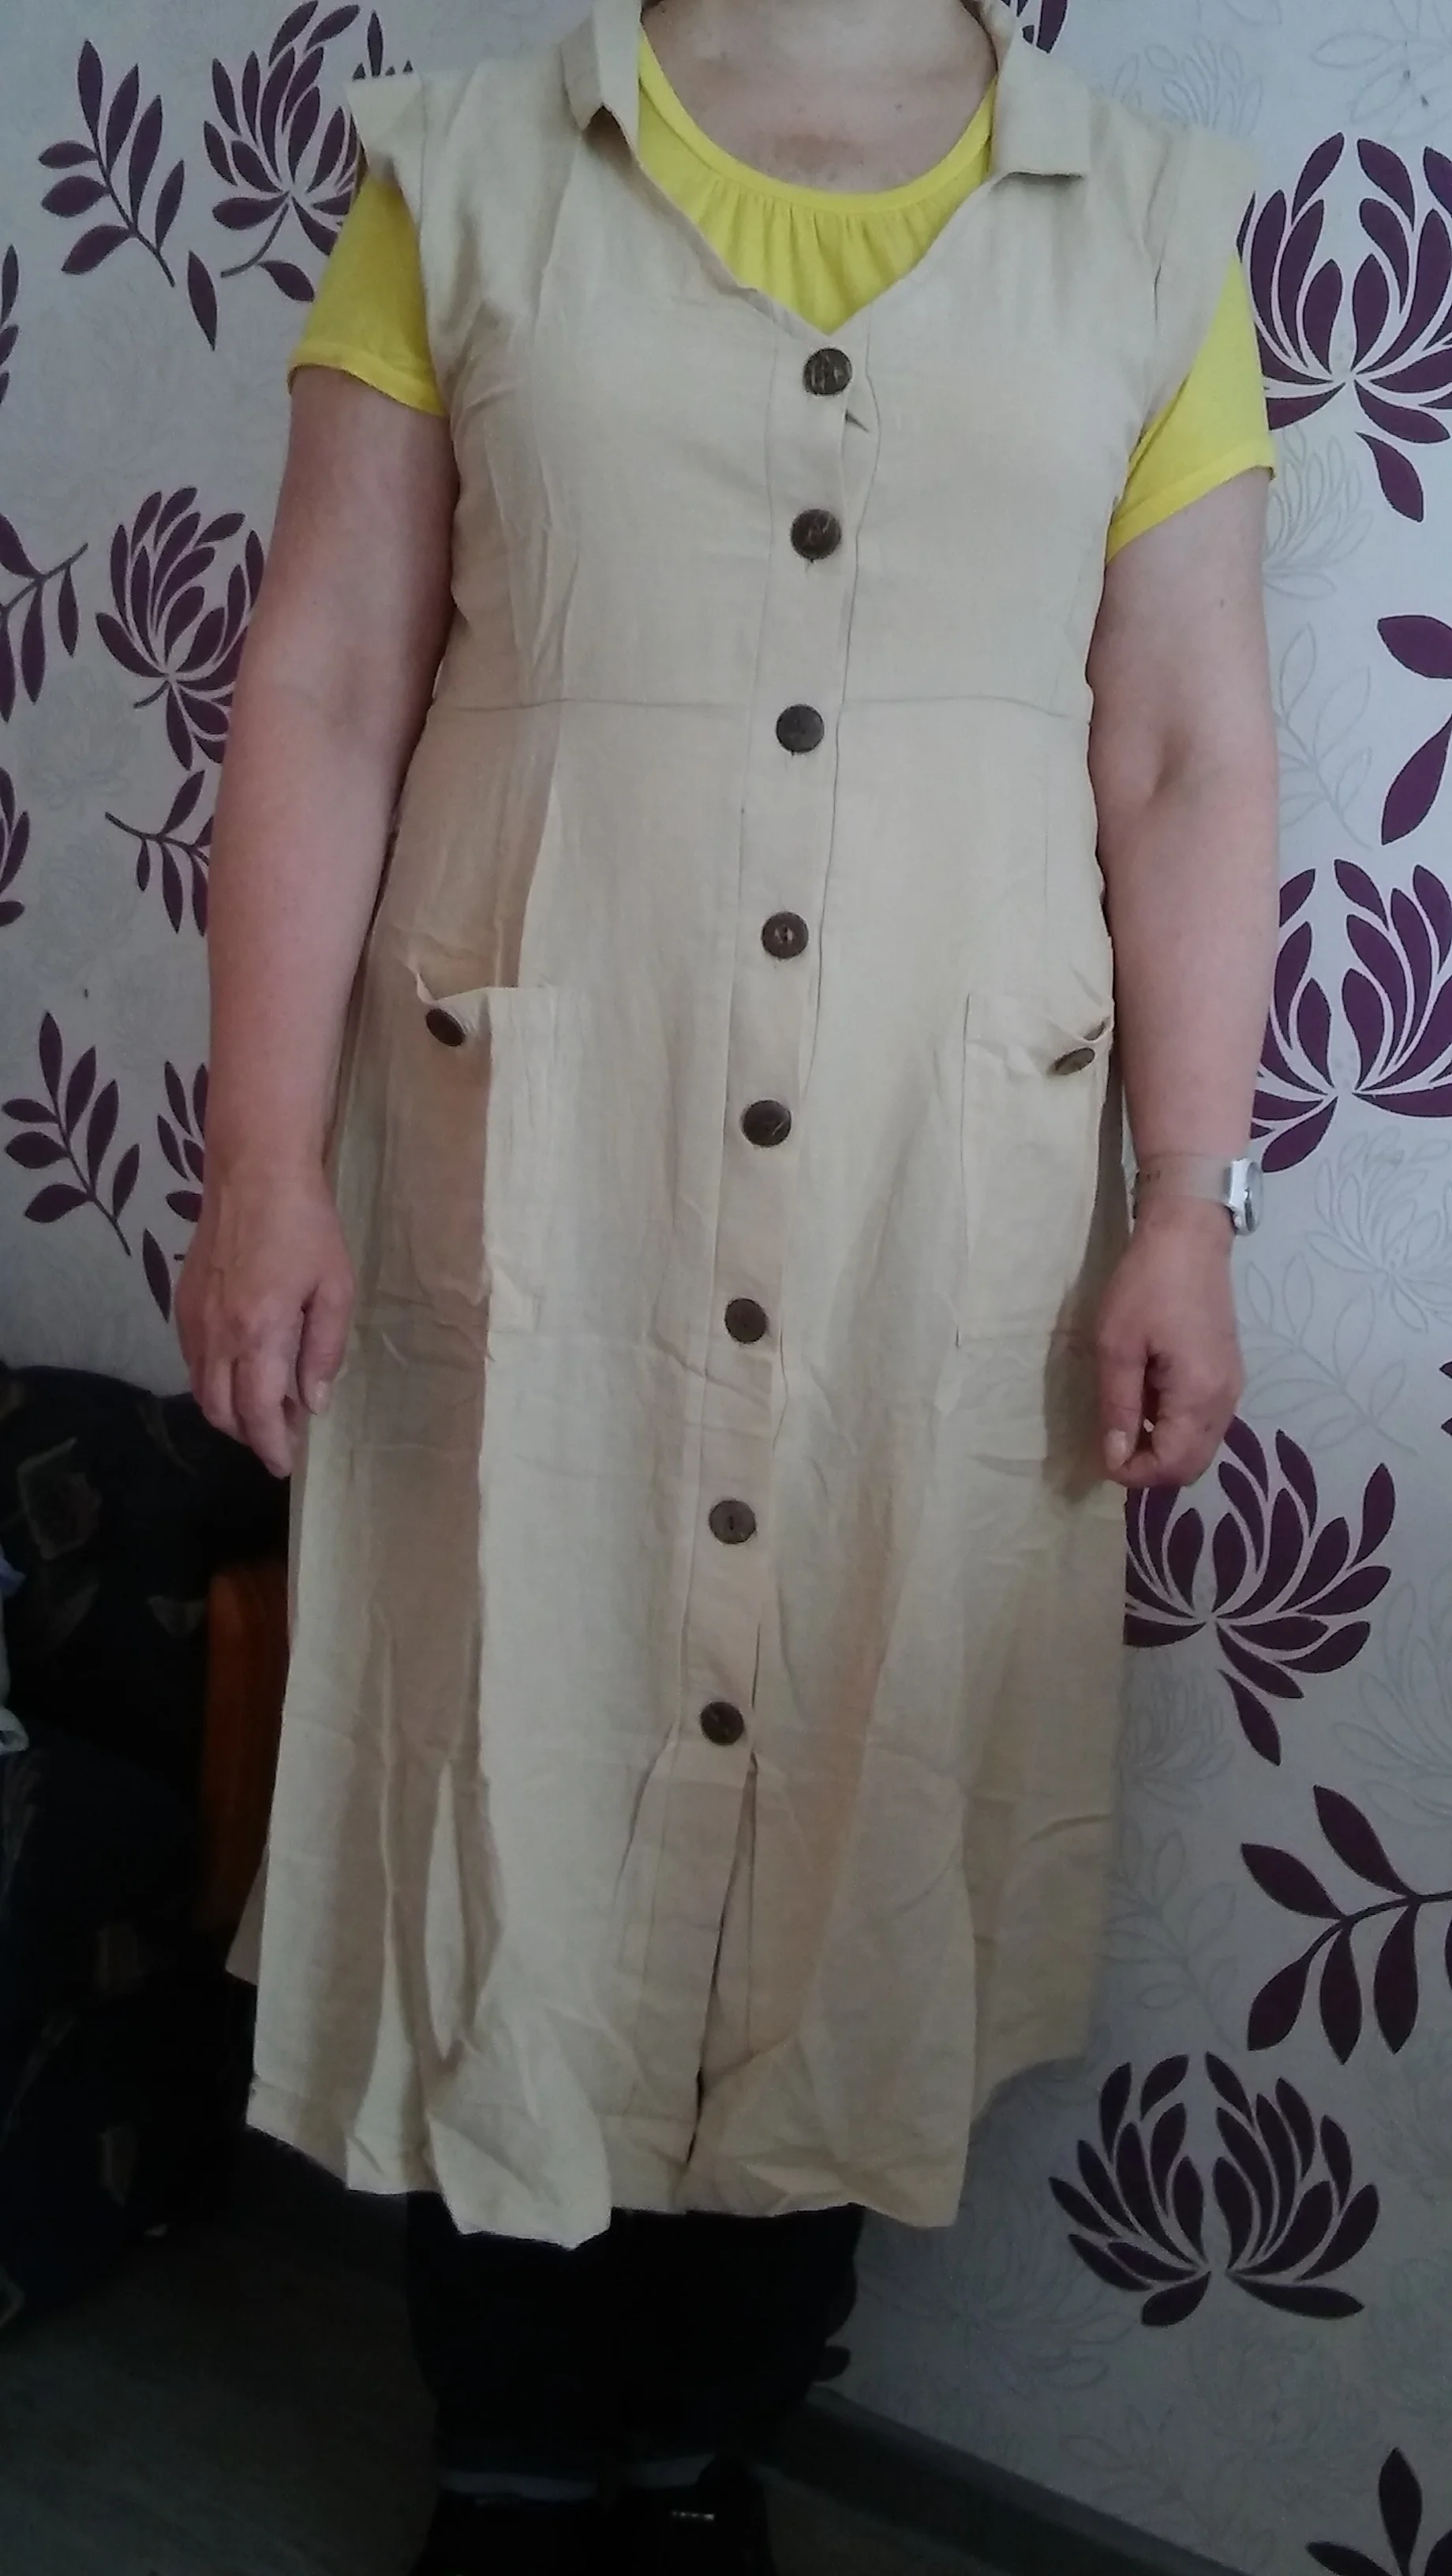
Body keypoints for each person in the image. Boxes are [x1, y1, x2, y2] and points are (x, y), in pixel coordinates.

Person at [177, 0, 1279, 2567]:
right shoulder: (458, 176)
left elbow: (1187, 746)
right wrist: (259, 1164)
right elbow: (327, 676)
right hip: (523, 1152)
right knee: (509, 1761)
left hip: (941, 1190)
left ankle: (703, 2466)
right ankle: (511, 2471)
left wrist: (1186, 1201)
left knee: (861, 1793)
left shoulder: (1149, 223)